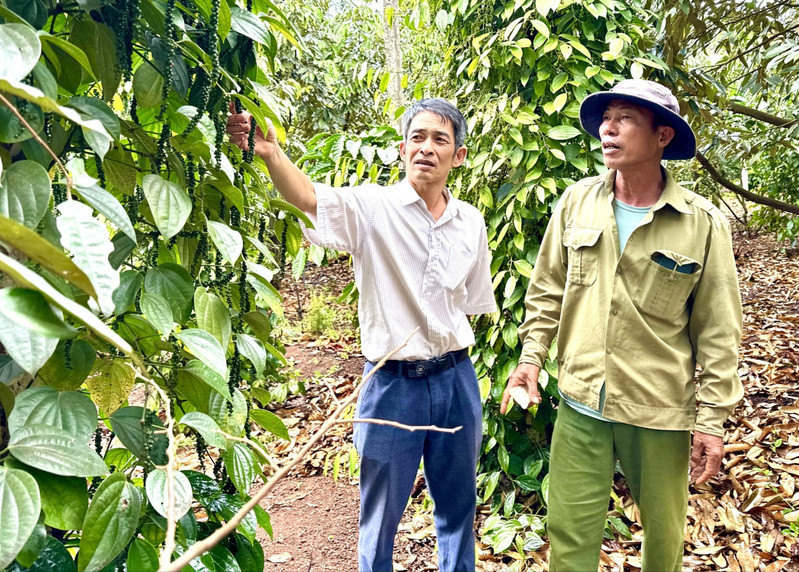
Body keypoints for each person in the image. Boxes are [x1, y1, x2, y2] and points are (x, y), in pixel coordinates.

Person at [227, 98, 497, 572]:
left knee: (457, 509)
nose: (426, 149)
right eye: (417, 138)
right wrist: (270, 154)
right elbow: (310, 198)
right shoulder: (373, 209)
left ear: (459, 156)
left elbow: (469, 304)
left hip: (457, 380)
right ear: (401, 149)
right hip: (391, 386)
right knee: (380, 516)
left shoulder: (471, 222)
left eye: (440, 139)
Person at [501, 79, 743, 571]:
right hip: (581, 398)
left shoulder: (701, 223)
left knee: (664, 536)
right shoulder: (576, 203)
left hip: (657, 408)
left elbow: (718, 331)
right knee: (570, 530)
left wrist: (712, 420)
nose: (608, 129)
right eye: (606, 118)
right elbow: (547, 288)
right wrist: (530, 359)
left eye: (626, 119)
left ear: (662, 137)